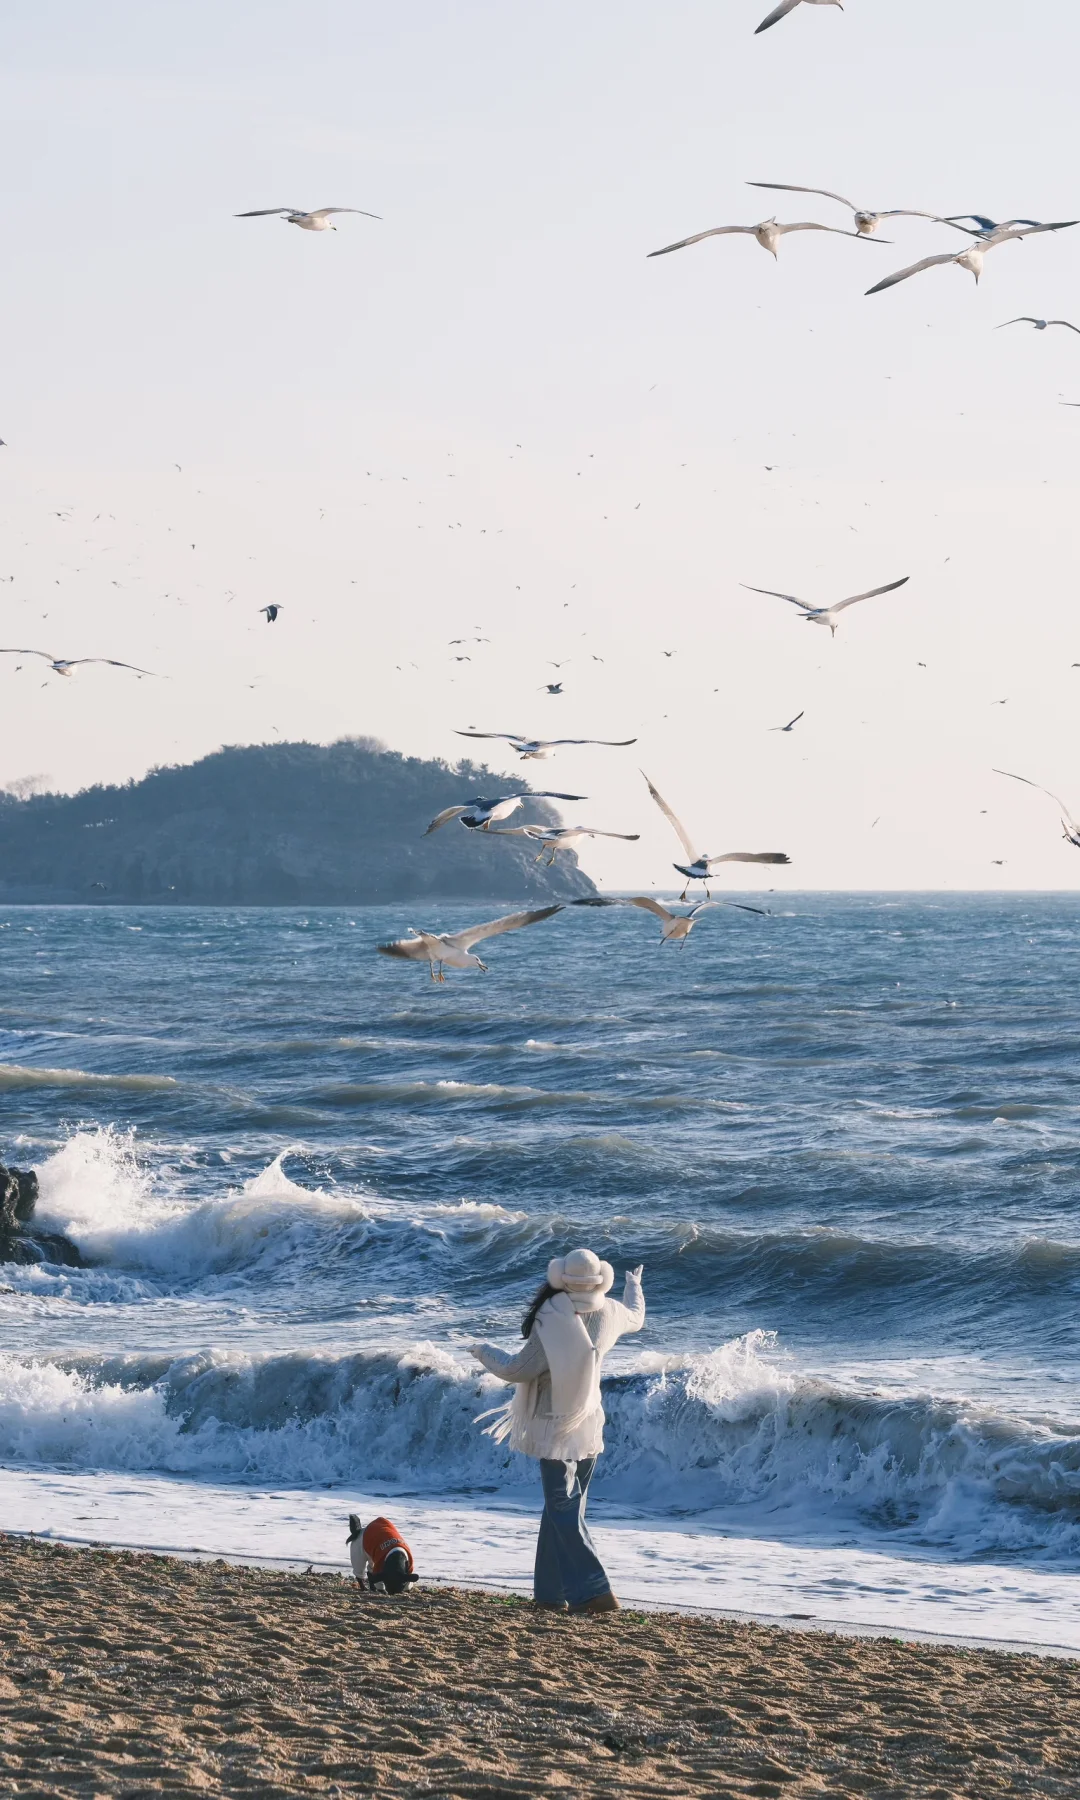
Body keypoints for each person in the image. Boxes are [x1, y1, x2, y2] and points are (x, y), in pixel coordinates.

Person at [469, 1248, 644, 1616]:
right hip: (589, 1421)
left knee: (562, 1509)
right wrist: (634, 1286)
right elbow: (636, 1317)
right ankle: (550, 1594)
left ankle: (594, 1591)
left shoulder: (551, 1317)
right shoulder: (610, 1312)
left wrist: (483, 1350)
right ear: (599, 1280)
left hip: (554, 1426)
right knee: (564, 1508)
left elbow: (517, 1370)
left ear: (561, 1278)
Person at [346, 1513, 419, 1595]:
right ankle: (362, 1585)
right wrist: (381, 1588)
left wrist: (406, 1588)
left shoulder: (406, 1558)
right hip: (364, 1538)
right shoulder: (407, 1559)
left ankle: (373, 1585)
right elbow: (377, 1573)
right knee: (359, 1566)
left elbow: (377, 1574)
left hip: (379, 1535)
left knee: (372, 1565)